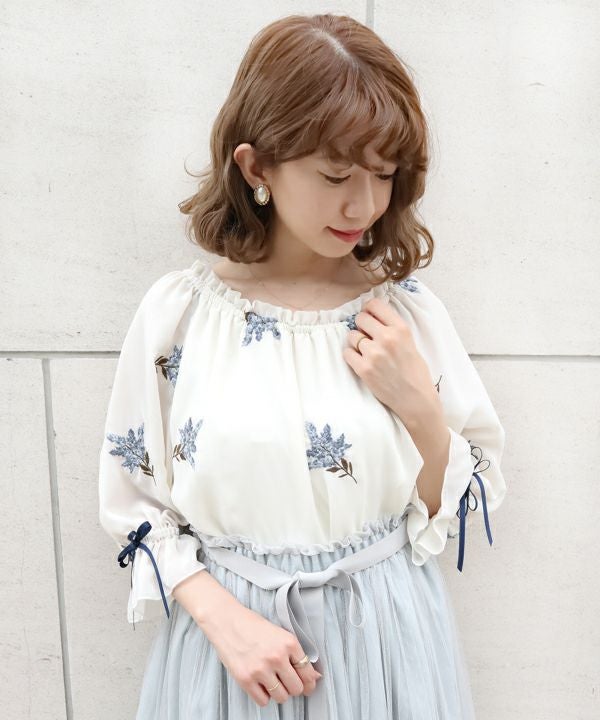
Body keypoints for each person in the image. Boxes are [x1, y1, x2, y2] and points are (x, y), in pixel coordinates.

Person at [98, 13, 506, 719]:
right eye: (335, 174)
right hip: (233, 659)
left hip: (388, 644)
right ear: (256, 166)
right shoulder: (181, 316)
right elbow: (133, 503)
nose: (363, 204)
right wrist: (225, 622)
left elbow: (464, 501)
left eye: (384, 174)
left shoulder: (406, 316)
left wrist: (420, 408)